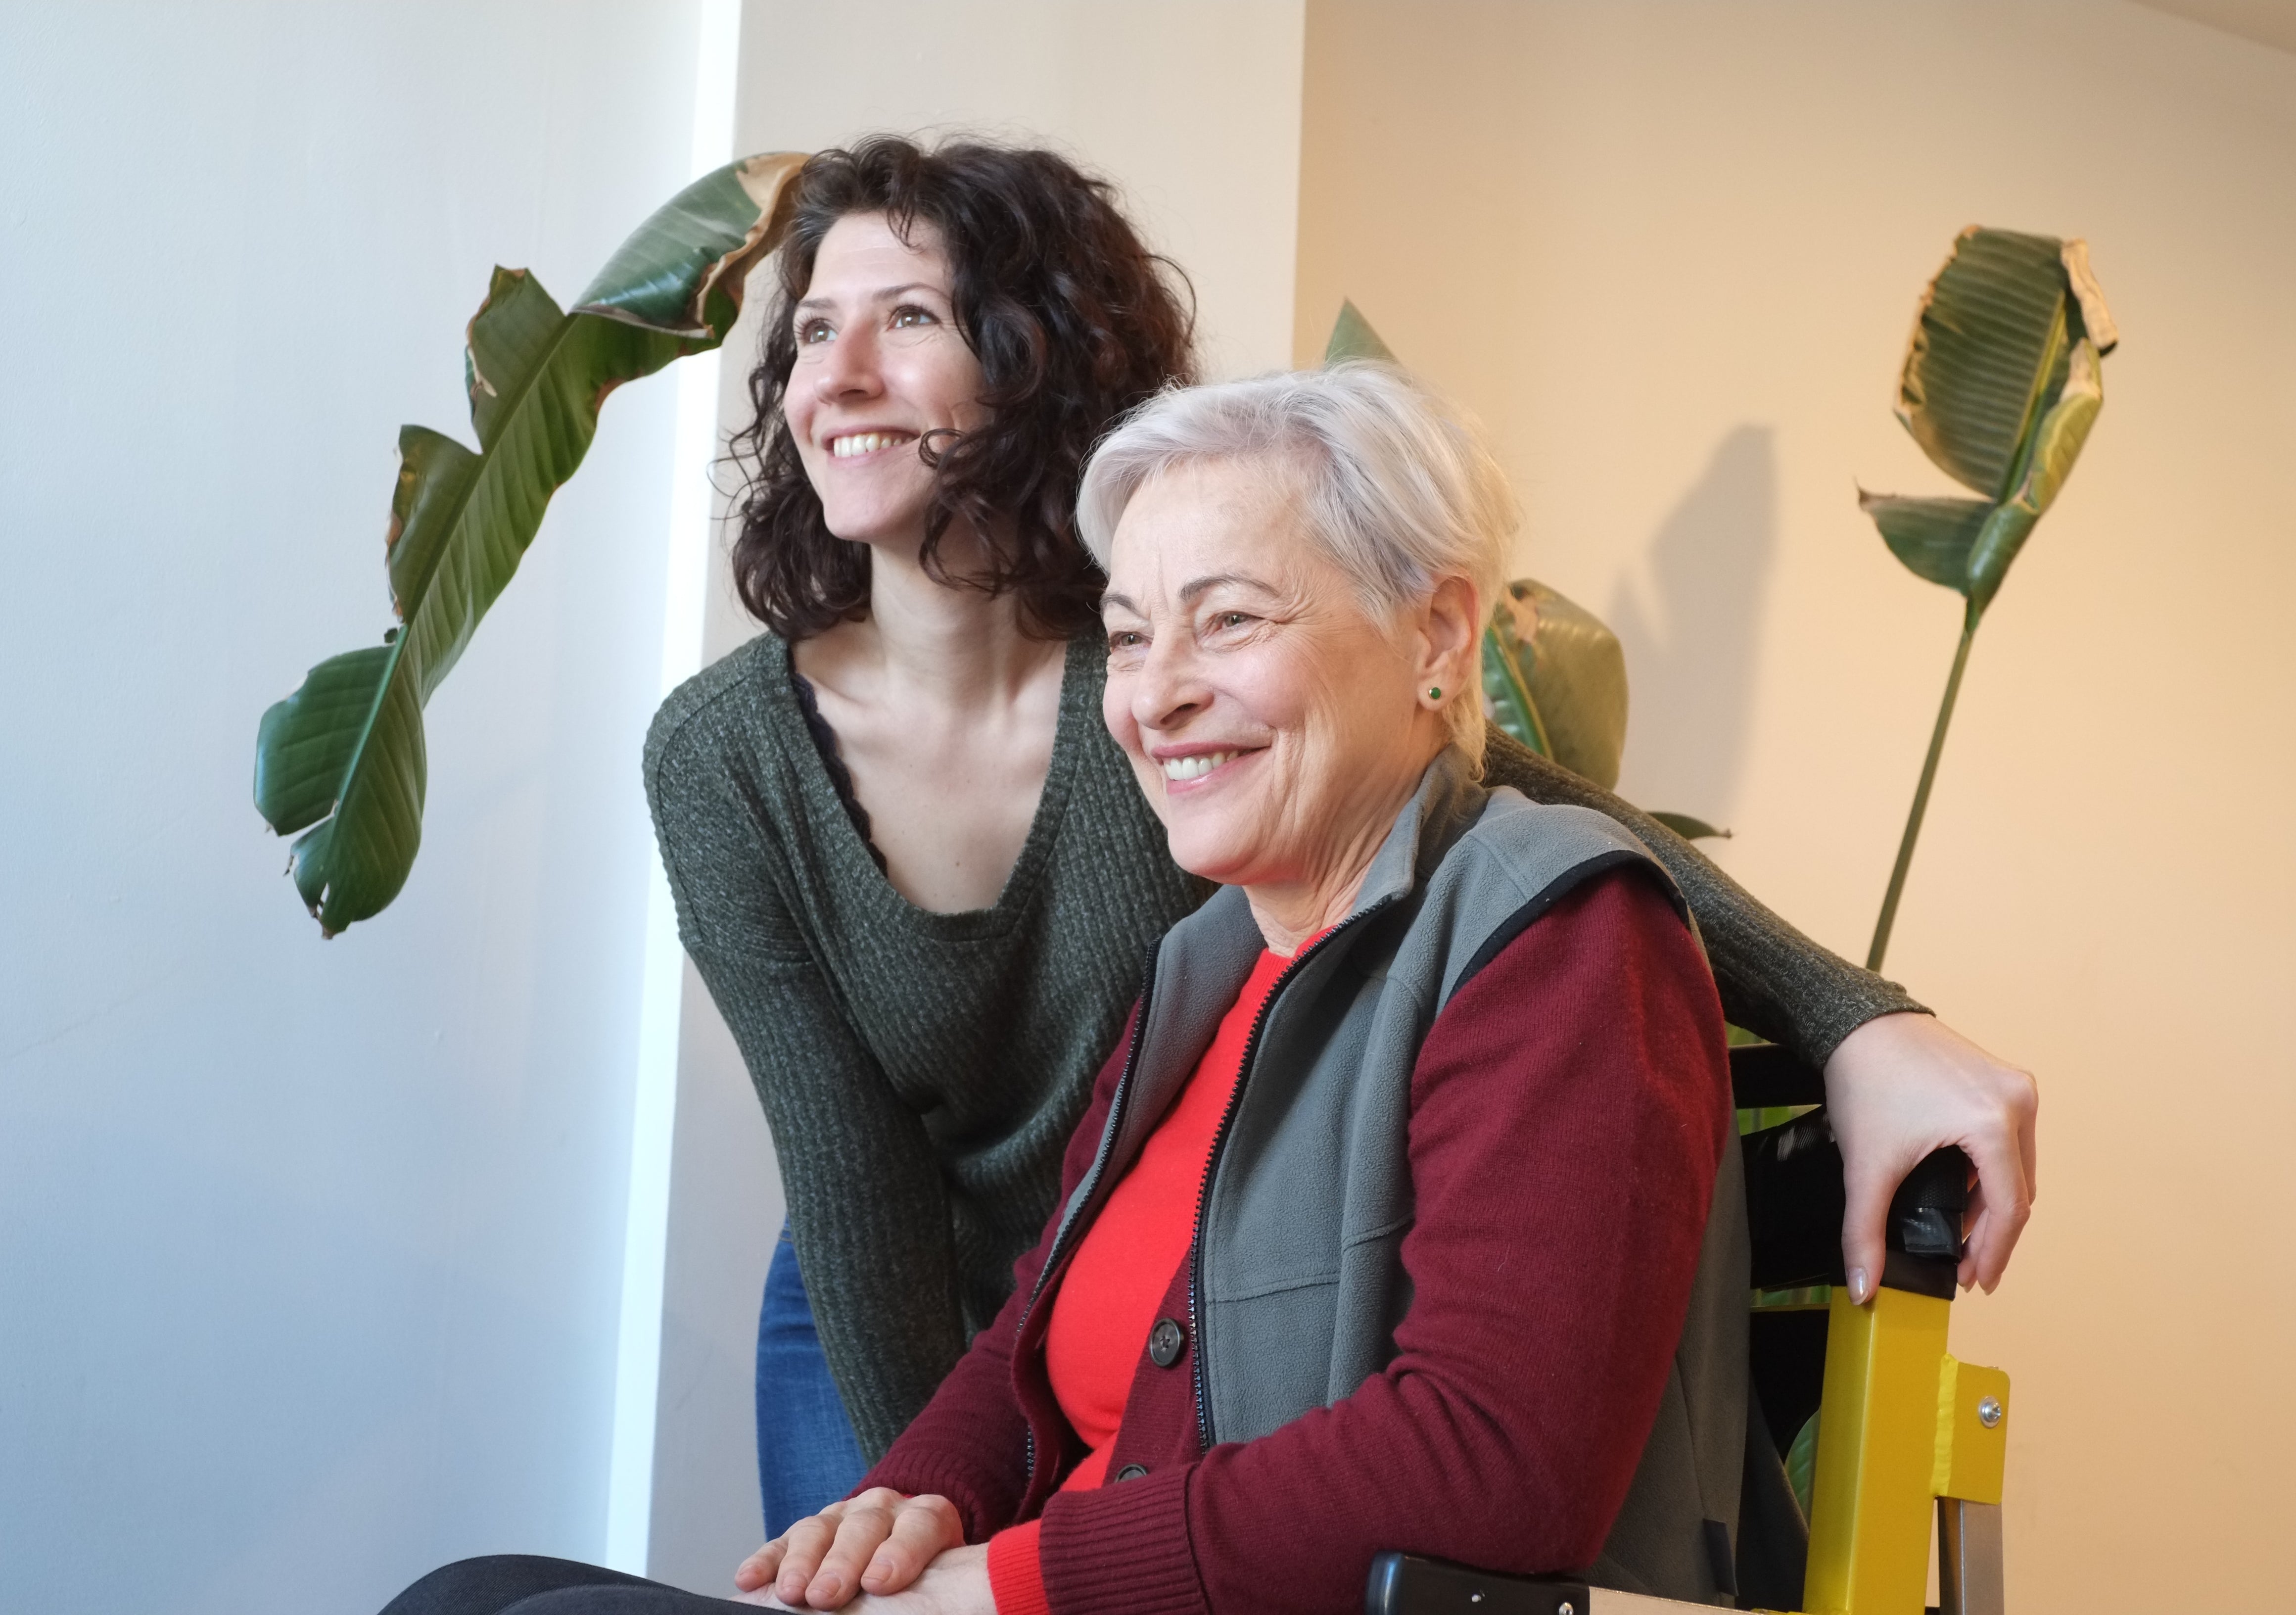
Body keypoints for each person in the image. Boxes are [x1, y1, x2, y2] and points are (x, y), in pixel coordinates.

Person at [635, 136, 2038, 1542]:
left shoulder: (1184, 706)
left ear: (1029, 352)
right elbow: (858, 1184)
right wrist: (923, 1521)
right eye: (811, 330)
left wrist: (1857, 1019)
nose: (835, 376)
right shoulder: (730, 759)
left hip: (1214, 1272)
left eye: (907, 317)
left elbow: (1514, 808)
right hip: (934, 1301)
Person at [386, 362, 1753, 1615]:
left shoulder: (1559, 940)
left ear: (1438, 635)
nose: (1157, 697)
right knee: (469, 1596)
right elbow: (1028, 1344)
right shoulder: (1209, 965)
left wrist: (1002, 1583)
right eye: (1132, 637)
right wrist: (914, 1503)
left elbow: (1494, 1461)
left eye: (1228, 621)